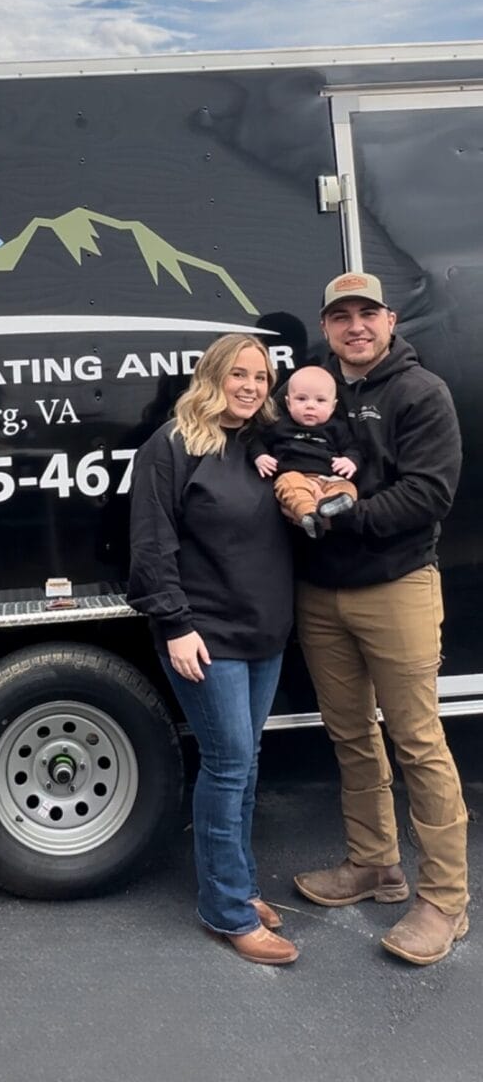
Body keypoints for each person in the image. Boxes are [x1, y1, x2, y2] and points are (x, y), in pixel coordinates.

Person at [292, 271, 468, 966]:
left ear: (389, 321)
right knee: (350, 737)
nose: (355, 326)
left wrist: (340, 516)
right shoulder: (317, 393)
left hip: (395, 587)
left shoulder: (419, 393)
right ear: (327, 325)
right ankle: (373, 866)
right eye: (341, 316)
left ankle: (444, 899)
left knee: (417, 741)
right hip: (321, 594)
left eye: (367, 313)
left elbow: (429, 494)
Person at [127, 334, 298, 966]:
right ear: (212, 376)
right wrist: (175, 624)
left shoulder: (261, 444)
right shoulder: (170, 448)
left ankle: (243, 887)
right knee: (227, 766)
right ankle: (227, 909)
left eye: (262, 376)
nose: (252, 386)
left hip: (264, 634)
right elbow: (150, 547)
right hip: (208, 637)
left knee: (246, 763)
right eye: (240, 375)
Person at [248, 364, 361, 537]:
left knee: (347, 486)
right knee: (290, 487)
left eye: (320, 400)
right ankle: (308, 515)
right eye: (301, 399)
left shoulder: (336, 428)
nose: (310, 406)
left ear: (333, 406)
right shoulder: (279, 425)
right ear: (288, 402)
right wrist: (260, 456)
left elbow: (352, 448)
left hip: (328, 478)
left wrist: (350, 460)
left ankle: (335, 503)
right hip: (293, 474)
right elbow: (255, 440)